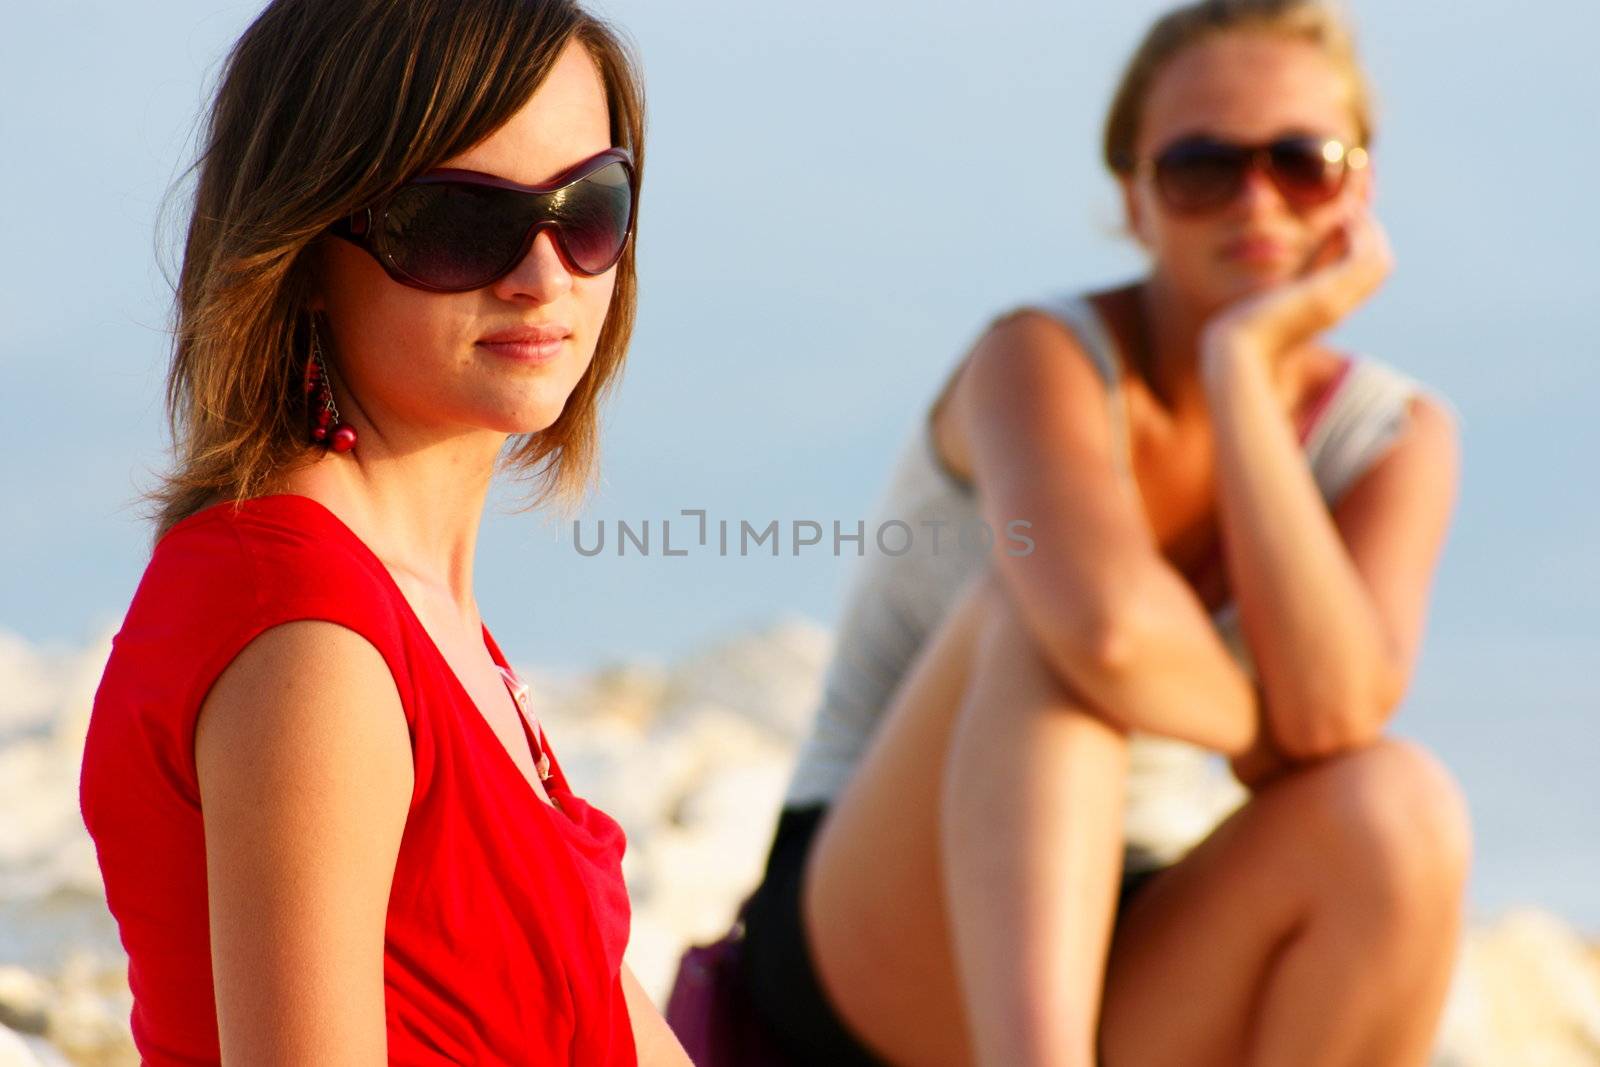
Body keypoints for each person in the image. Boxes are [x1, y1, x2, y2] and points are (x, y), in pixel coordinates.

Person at [736, 1, 1471, 1064]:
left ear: (1357, 187)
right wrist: (1266, 732)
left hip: (1136, 918)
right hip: (883, 915)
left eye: (1301, 161)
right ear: (1132, 198)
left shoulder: (1391, 435)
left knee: (1397, 805)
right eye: (1200, 167)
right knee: (1038, 608)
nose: (1255, 200)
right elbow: (1109, 630)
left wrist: (1242, 377)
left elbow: (1343, 712)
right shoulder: (1038, 357)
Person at [77, 1, 691, 1063]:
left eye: (585, 209)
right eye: (459, 224)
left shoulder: (398, 602)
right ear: (304, 247)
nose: (544, 275)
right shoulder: (311, 644)